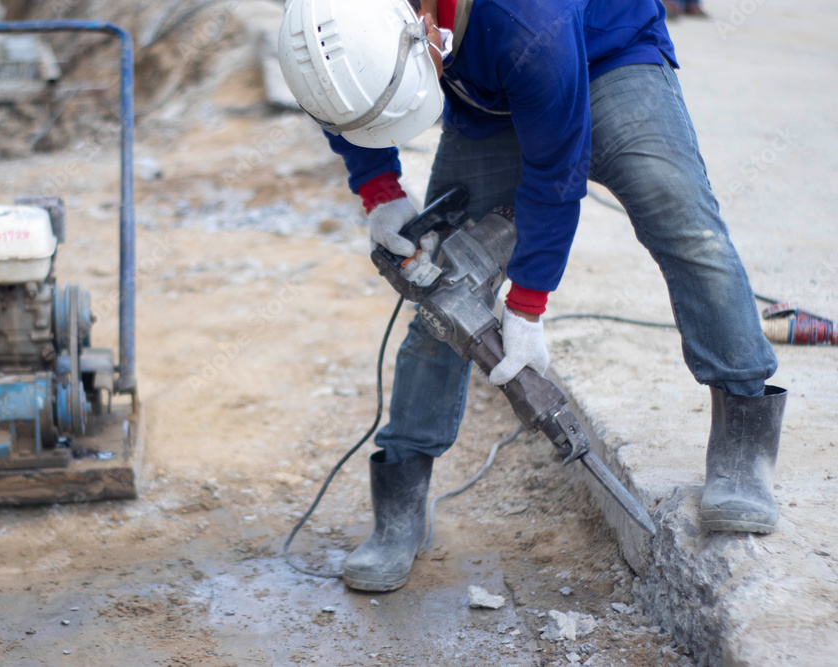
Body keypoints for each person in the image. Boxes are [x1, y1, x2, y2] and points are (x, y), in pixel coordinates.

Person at [278, 0, 785, 592]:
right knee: (444, 295)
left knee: (683, 224)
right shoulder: (336, 18)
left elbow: (556, 175)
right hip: (484, 89)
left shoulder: (529, 22)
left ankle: (743, 436)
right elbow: (335, 87)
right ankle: (401, 502)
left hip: (606, 56)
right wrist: (379, 188)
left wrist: (527, 305)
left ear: (425, 36)